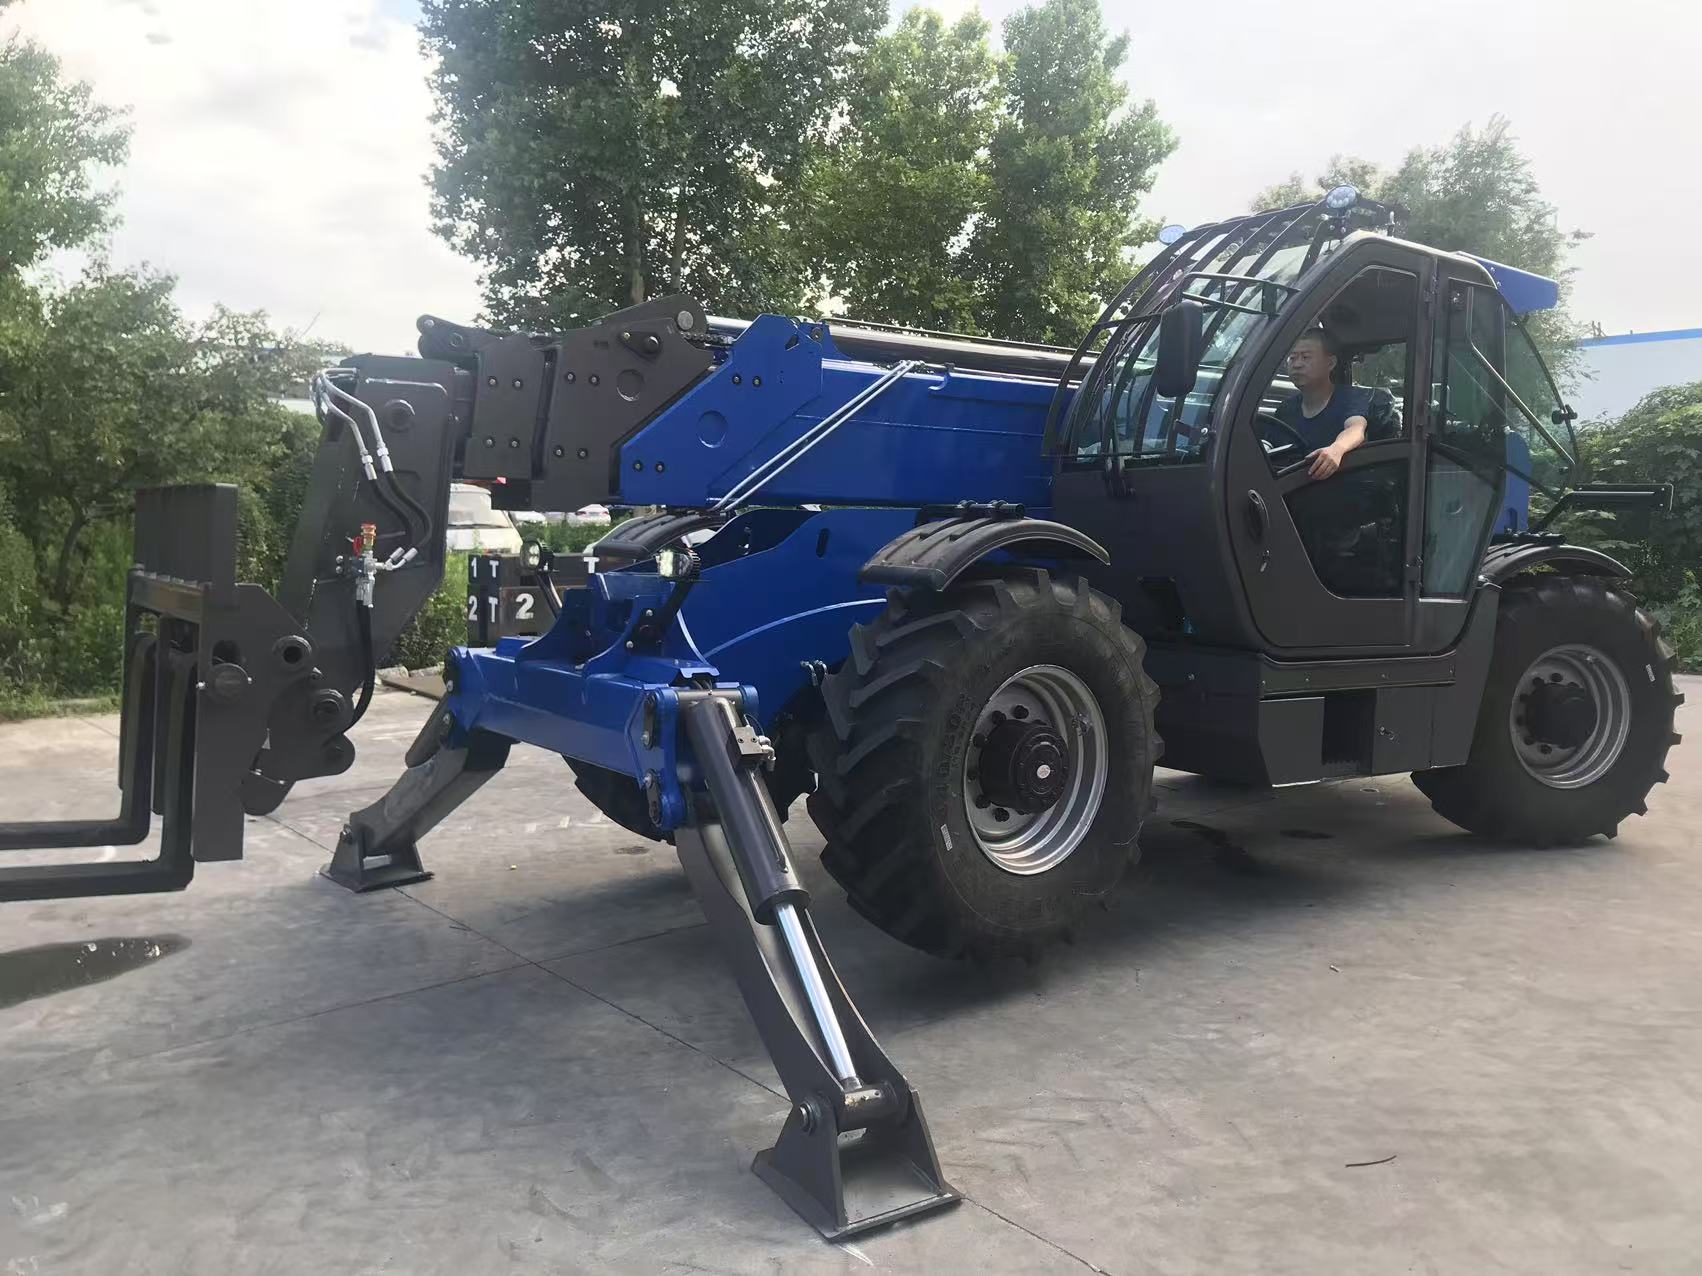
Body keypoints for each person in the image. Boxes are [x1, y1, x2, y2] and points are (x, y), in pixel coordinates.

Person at [1271, 328, 1371, 479]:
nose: (1297, 364)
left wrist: (1336, 449)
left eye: (1305, 357)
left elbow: (1356, 428)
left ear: (1330, 363)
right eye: (1292, 358)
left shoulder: (1351, 397)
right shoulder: (1285, 409)